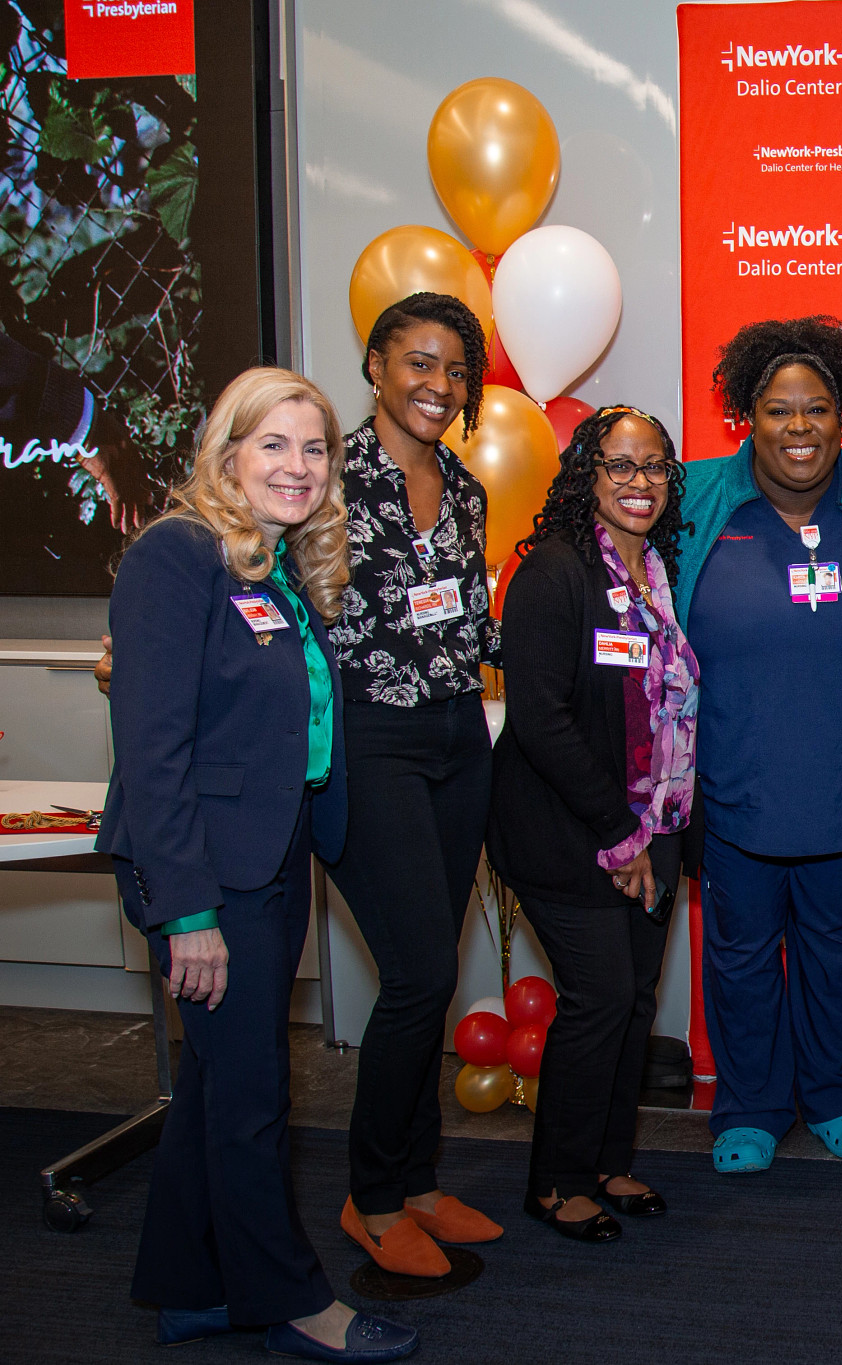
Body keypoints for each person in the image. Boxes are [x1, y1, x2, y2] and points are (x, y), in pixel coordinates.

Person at [100, 368, 418, 1360]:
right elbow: (151, 747)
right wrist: (186, 910)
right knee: (250, 1098)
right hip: (209, 872)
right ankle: (289, 1300)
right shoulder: (177, 554)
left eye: (314, 447)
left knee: (213, 1088)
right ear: (227, 451)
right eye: (273, 444)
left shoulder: (272, 568)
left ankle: (190, 1286)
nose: (297, 465)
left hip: (270, 857)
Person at [674, 317, 842, 1175]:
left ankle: (836, 1092)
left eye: (817, 408)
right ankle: (748, 1103)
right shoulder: (696, 501)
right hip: (732, 788)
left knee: (836, 947)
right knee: (739, 953)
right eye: (778, 409)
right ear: (748, 415)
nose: (799, 427)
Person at [489, 406, 699, 1242]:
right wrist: (620, 832)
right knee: (599, 995)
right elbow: (540, 719)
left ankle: (611, 1160)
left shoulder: (659, 569)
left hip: (658, 824)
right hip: (572, 833)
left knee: (633, 1000)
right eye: (620, 466)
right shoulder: (553, 573)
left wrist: (663, 829)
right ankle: (556, 1180)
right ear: (586, 476)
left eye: (653, 467)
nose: (639, 482)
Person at [327, 293, 505, 1275]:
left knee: (428, 971)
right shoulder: (326, 480)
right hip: (370, 742)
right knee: (419, 977)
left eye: (454, 370)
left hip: (455, 737)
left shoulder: (466, 488)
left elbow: (472, 626)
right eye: (419, 363)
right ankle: (371, 1196)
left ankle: (420, 1181)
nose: (438, 386)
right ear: (376, 365)